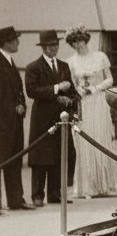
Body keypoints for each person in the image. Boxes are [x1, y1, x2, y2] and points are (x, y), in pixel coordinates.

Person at [65, 26, 117, 198]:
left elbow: (110, 79)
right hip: (83, 104)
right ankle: (87, 186)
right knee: (84, 142)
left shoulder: (100, 57)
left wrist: (95, 88)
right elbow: (72, 84)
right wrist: (79, 91)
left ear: (86, 40)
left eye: (80, 40)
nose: (78, 44)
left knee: (101, 137)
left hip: (99, 102)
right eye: (74, 42)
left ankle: (105, 185)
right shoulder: (71, 62)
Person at [25, 29, 78, 205]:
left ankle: (55, 194)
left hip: (60, 118)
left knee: (58, 156)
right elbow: (32, 91)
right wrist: (56, 89)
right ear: (42, 47)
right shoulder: (33, 67)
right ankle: (37, 195)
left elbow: (72, 91)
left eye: (55, 45)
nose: (52, 49)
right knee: (40, 157)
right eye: (48, 46)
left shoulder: (64, 66)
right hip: (42, 118)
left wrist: (71, 100)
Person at [0, 24, 31, 211]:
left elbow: (18, 90)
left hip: (15, 122)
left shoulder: (10, 62)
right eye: (15, 40)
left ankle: (16, 200)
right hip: (3, 122)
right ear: (6, 43)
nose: (18, 43)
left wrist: (22, 105)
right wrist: (13, 109)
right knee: (2, 159)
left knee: (15, 160)